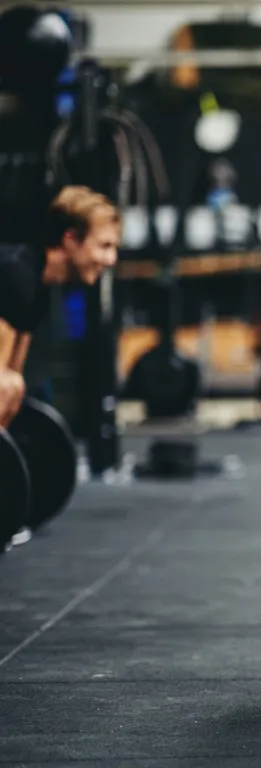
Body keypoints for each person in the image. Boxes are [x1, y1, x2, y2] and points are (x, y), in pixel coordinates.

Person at [0, 186, 122, 545]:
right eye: (104, 246)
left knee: (14, 390)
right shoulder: (16, 276)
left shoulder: (36, 284)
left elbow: (12, 373)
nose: (111, 259)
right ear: (70, 239)